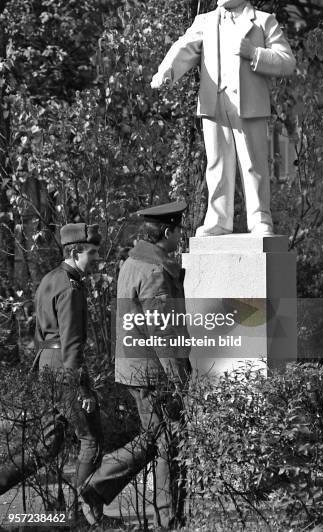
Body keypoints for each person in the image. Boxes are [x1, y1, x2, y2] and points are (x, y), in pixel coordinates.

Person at [151, 0, 296, 236]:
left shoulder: (264, 21)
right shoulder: (205, 21)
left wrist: (254, 53)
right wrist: (167, 71)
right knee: (216, 165)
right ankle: (218, 219)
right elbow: (183, 47)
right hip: (214, 103)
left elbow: (287, 62)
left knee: (253, 164)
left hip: (249, 106)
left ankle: (260, 219)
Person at [80, 201, 192, 530]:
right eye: (177, 232)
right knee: (165, 439)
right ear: (168, 232)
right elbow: (164, 331)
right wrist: (180, 381)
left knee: (158, 438)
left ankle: (161, 515)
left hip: (136, 368)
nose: (179, 238)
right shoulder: (155, 270)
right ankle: (160, 516)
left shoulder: (133, 261)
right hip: (153, 372)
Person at [0, 223, 103, 496]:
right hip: (64, 365)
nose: (96, 258)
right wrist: (82, 387)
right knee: (91, 440)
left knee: (47, 445)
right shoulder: (70, 288)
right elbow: (71, 341)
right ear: (75, 251)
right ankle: (86, 511)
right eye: (91, 252)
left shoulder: (49, 279)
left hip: (47, 361)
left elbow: (39, 332)